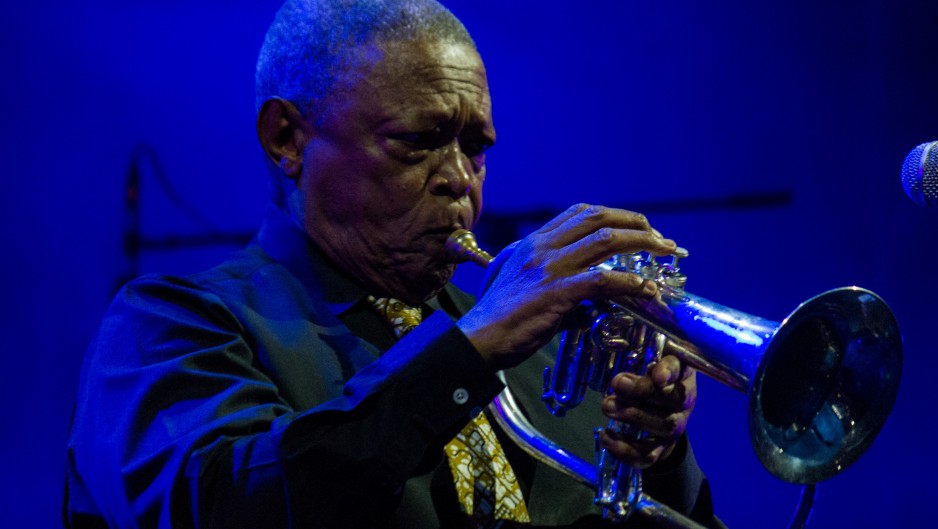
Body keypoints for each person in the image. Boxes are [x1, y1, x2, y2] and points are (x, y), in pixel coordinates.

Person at [65, 1, 721, 527]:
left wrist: (657, 459)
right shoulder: (168, 327)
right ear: (286, 138)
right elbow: (225, 506)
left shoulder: (536, 355)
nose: (461, 180)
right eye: (421, 141)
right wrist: (467, 354)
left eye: (476, 146)